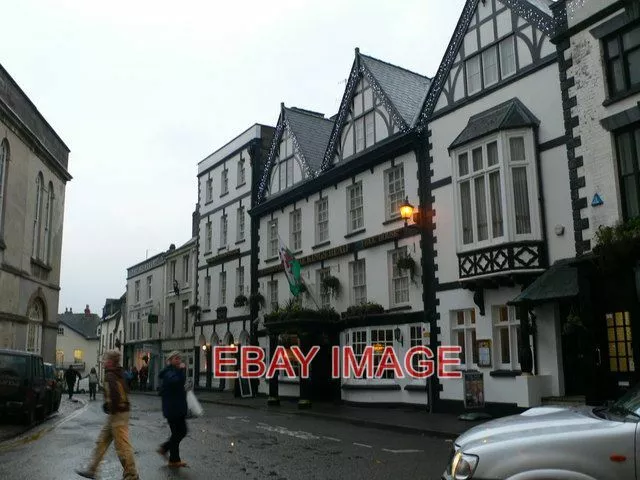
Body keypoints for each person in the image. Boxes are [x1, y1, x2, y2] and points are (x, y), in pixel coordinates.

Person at [75, 350, 139, 480]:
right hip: (118, 412)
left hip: (117, 414)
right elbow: (125, 390)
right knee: (102, 441)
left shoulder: (110, 375)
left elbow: (115, 395)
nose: (103, 362)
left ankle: (131, 475)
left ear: (110, 362)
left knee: (122, 446)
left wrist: (110, 406)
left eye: (105, 360)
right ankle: (92, 469)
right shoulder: (119, 373)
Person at [157, 351, 188, 468]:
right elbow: (175, 381)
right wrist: (181, 370)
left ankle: (172, 458)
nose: (178, 360)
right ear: (170, 360)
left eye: (179, 358)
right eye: (176, 358)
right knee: (179, 432)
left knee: (178, 433)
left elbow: (180, 384)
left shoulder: (174, 371)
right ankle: (168, 453)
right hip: (172, 409)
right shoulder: (168, 372)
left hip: (177, 407)